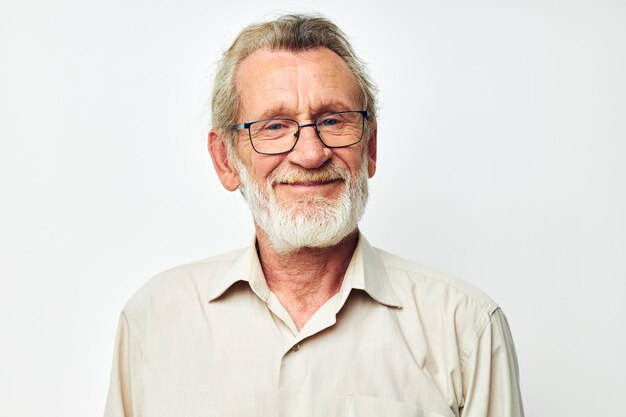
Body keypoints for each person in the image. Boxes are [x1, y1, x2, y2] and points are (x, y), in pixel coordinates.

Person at [104, 14, 524, 417]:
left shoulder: (465, 329)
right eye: (274, 126)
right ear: (225, 160)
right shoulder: (154, 320)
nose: (310, 153)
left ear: (371, 147)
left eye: (332, 120)